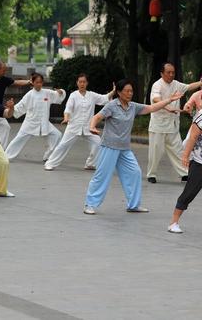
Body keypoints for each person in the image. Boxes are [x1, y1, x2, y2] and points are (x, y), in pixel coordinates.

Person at [83, 79, 183, 215]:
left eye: (131, 91)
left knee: (135, 172)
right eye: (127, 91)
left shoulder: (133, 106)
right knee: (102, 175)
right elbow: (97, 117)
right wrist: (92, 126)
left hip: (124, 148)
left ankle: (134, 205)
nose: (130, 93)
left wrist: (169, 100)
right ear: (119, 92)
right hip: (110, 146)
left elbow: (151, 108)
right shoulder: (112, 106)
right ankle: (90, 204)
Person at [43, 74, 114, 171]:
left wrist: (113, 91)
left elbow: (104, 98)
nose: (82, 84)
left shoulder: (92, 95)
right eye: (80, 82)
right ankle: (50, 163)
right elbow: (68, 109)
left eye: (84, 82)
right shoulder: (73, 95)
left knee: (98, 142)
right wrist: (66, 118)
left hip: (88, 127)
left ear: (87, 83)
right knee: (63, 145)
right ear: (77, 83)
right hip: (73, 126)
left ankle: (90, 164)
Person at [146, 63, 202, 183]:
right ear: (162, 73)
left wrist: (200, 83)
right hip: (158, 125)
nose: (171, 75)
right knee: (155, 152)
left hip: (173, 125)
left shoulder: (176, 84)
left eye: (173, 72)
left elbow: (188, 87)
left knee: (178, 150)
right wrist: (168, 107)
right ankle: (152, 174)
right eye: (168, 72)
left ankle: (184, 173)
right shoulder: (157, 85)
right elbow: (156, 99)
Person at [4, 73, 66, 162]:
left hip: (44, 123)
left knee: (57, 135)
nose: (39, 84)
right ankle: (6, 156)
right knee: (19, 139)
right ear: (32, 82)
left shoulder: (47, 92)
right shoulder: (29, 95)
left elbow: (58, 95)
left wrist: (61, 92)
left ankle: (48, 156)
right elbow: (20, 107)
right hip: (30, 122)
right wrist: (12, 108)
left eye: (40, 82)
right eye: (37, 82)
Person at [167, 111, 202, 233]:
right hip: (199, 162)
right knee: (189, 193)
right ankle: (173, 222)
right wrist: (185, 156)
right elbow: (193, 136)